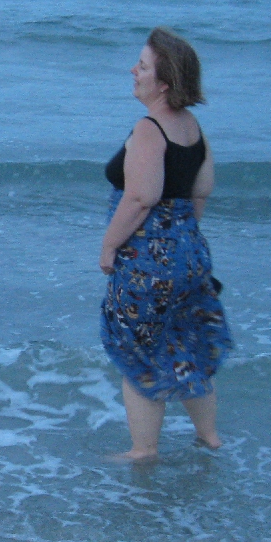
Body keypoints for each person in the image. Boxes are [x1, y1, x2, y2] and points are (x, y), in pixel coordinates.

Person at [98, 27, 232, 461]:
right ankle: (209, 437)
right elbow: (202, 191)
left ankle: (144, 450)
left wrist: (109, 247)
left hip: (146, 261)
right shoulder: (193, 128)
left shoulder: (150, 128)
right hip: (191, 252)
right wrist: (181, 240)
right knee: (186, 340)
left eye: (142, 65)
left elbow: (141, 197)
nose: (133, 71)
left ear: (164, 82)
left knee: (137, 350)